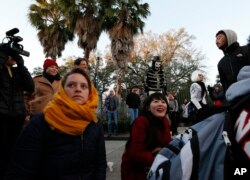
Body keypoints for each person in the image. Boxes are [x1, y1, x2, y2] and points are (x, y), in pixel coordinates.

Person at [5, 67, 107, 180]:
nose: (78, 89)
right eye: (71, 85)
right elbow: (20, 171)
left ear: (90, 92)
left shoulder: (94, 123)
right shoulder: (40, 123)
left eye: (83, 86)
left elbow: (100, 165)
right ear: (62, 90)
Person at [0, 49, 34, 179]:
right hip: (2, 115)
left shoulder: (17, 71)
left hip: (17, 116)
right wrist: (2, 56)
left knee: (14, 149)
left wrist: (21, 64)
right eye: (10, 54)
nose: (13, 56)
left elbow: (30, 86)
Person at [121, 93, 172, 180]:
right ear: (148, 107)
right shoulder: (141, 122)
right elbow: (135, 154)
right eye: (156, 101)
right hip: (136, 172)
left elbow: (167, 143)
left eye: (163, 102)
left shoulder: (165, 121)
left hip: (157, 169)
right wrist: (157, 156)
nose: (160, 104)